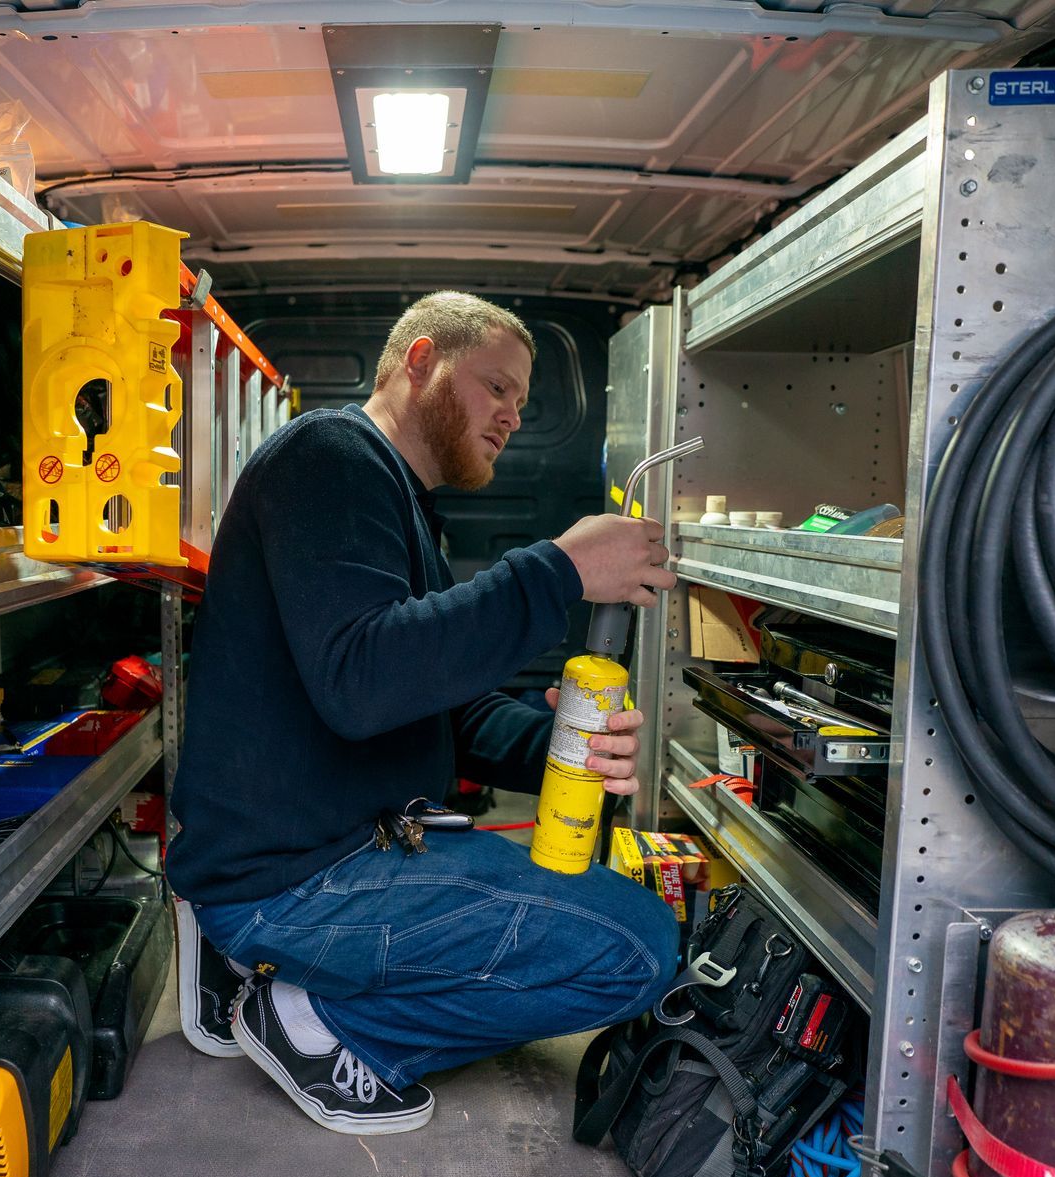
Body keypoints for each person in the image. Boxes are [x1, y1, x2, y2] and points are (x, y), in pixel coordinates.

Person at [166, 291, 681, 1134]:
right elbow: (361, 682)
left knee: (614, 917)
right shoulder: (328, 457)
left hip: (358, 847)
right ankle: (316, 1020)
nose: (514, 414)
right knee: (634, 949)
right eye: (497, 387)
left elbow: (448, 710)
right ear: (421, 360)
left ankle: (259, 965)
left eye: (522, 398)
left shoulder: (401, 505)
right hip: (298, 875)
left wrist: (559, 744)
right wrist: (557, 570)